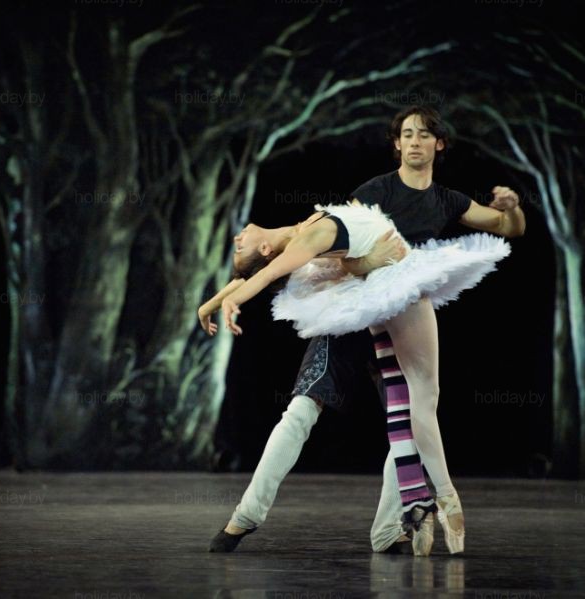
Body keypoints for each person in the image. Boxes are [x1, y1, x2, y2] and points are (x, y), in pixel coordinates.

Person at [202, 105, 526, 556]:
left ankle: (390, 528)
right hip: (351, 311)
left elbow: (508, 228)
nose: (414, 142)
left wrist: (512, 208)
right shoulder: (375, 191)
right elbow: (323, 249)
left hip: (399, 310)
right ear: (396, 144)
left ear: (439, 144)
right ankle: (245, 516)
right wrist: (225, 295)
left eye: (423, 134)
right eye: (406, 134)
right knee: (302, 409)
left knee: (409, 418)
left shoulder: (448, 201)